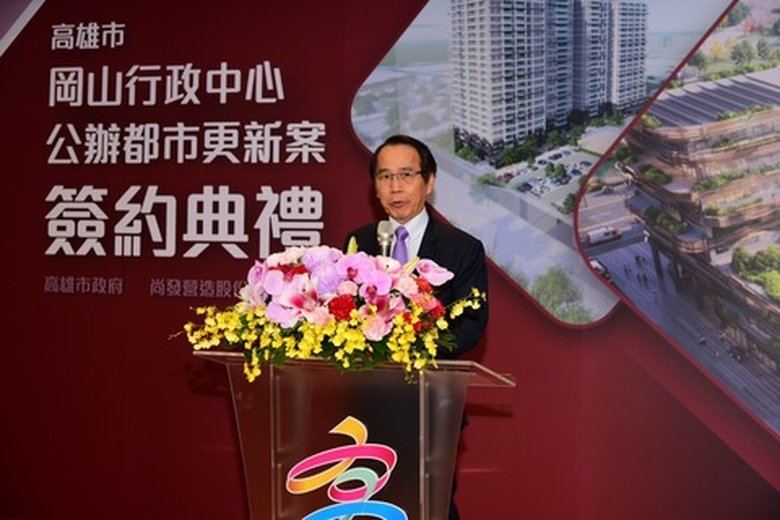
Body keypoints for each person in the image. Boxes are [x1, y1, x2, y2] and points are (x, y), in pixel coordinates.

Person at [345, 134, 489, 519]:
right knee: (370, 505)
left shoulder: (462, 248)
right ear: (375, 186)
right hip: (368, 404)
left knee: (430, 502)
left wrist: (412, 347)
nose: (395, 187)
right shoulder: (359, 243)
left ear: (429, 181)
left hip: (432, 403)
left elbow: (472, 324)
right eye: (385, 176)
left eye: (406, 175)